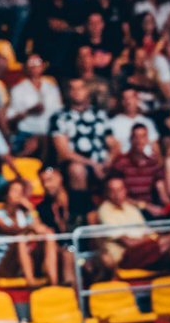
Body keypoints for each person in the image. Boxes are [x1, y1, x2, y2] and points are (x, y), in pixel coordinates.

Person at [49, 78, 118, 219]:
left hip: (102, 163)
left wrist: (109, 160)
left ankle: (123, 212)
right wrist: (92, 164)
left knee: (122, 164)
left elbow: (114, 144)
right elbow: (63, 152)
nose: (76, 92)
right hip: (78, 163)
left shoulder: (99, 114)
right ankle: (80, 214)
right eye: (72, 88)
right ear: (68, 93)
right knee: (77, 170)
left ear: (87, 91)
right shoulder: (60, 117)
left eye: (80, 88)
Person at [96, 177, 170, 278]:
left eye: (120, 189)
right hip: (125, 257)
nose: (116, 194)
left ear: (125, 190)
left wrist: (147, 238)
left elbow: (146, 233)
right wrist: (148, 238)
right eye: (113, 191)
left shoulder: (130, 208)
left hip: (144, 250)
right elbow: (129, 243)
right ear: (107, 193)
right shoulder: (104, 211)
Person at [0, 180, 60, 286]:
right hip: (3, 266)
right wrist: (30, 228)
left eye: (21, 192)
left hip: (22, 262)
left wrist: (31, 209)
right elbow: (9, 229)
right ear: (6, 194)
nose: (18, 195)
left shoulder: (23, 214)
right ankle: (31, 282)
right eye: (15, 191)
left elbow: (39, 228)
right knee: (21, 239)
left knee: (49, 235)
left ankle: (54, 282)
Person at [6, 53, 62, 158]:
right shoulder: (18, 89)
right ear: (25, 67)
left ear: (43, 66)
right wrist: (29, 111)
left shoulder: (52, 88)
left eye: (37, 63)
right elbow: (11, 119)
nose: (34, 66)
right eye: (31, 63)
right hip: (26, 133)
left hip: (50, 134)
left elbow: (59, 112)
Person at [109, 124, 169, 217]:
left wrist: (169, 207)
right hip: (128, 209)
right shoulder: (121, 163)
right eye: (136, 137)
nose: (139, 140)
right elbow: (116, 195)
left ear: (147, 140)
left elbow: (161, 191)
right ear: (131, 139)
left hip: (151, 210)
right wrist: (145, 206)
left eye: (143, 136)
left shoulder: (152, 163)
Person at [109, 88, 160, 156]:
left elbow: (155, 147)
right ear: (122, 102)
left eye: (132, 98)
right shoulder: (113, 123)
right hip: (126, 160)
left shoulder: (148, 122)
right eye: (126, 98)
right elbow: (113, 150)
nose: (129, 101)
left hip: (148, 160)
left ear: (137, 99)